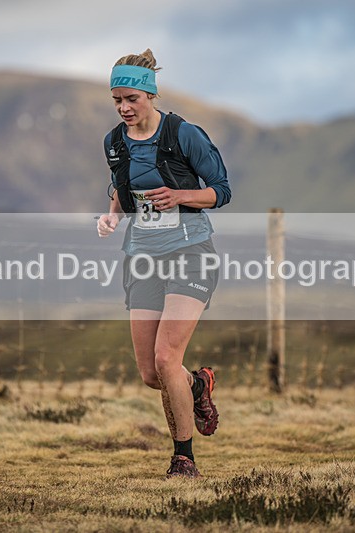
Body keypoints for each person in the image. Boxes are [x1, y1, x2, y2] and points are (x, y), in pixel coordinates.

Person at [97, 49, 232, 478]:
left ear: (151, 95)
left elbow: (222, 190)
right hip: (141, 259)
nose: (124, 108)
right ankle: (196, 384)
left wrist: (180, 197)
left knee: (166, 355)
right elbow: (122, 188)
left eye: (132, 99)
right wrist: (112, 215)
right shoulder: (114, 141)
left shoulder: (184, 134)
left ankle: (183, 458)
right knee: (151, 372)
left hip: (190, 252)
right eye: (117, 99)